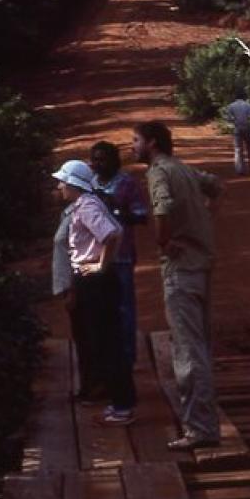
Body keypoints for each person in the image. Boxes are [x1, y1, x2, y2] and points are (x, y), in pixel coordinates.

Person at [131, 121, 221, 449]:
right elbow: (216, 185)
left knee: (188, 350)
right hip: (201, 265)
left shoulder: (158, 172)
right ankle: (205, 424)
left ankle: (200, 429)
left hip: (180, 269)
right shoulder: (182, 168)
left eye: (136, 140)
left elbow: (163, 209)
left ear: (152, 143)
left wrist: (163, 241)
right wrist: (205, 218)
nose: (133, 146)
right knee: (199, 345)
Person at [51, 159, 137, 424]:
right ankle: (119, 401)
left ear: (73, 183)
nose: (60, 186)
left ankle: (123, 406)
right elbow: (117, 230)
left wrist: (101, 265)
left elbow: (110, 234)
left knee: (107, 342)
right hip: (93, 279)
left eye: (63, 182)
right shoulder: (86, 204)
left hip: (94, 281)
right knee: (104, 340)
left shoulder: (87, 206)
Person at [89, 140, 148, 370]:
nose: (98, 164)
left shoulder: (127, 183)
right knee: (98, 309)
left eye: (103, 159)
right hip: (94, 257)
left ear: (115, 161)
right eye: (94, 160)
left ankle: (127, 356)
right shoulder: (90, 183)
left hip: (121, 256)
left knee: (124, 308)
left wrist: (116, 208)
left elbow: (141, 215)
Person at [225, 88, 250, 175]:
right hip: (246, 127)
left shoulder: (231, 106)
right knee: (249, 148)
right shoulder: (247, 105)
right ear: (244, 96)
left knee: (238, 149)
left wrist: (234, 122)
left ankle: (240, 169)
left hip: (237, 128)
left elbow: (228, 119)